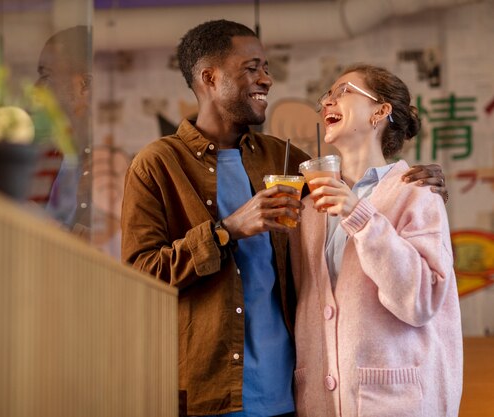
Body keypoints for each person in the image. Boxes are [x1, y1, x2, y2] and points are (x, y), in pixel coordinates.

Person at [121, 20, 447, 417]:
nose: (267, 80)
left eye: (267, 68)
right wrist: (227, 231)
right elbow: (138, 276)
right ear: (209, 77)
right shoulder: (157, 165)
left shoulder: (286, 160)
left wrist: (412, 177)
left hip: (293, 394)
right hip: (208, 395)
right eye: (252, 68)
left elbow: (359, 192)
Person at [291, 64, 462, 417]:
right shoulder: (310, 209)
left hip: (396, 404)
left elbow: (421, 300)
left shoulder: (417, 194)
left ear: (380, 111)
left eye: (343, 92)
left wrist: (359, 214)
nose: (327, 102)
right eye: (327, 95)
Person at [31, 25, 92, 238]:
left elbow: (121, 251)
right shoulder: (39, 154)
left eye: (47, 77)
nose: (37, 88)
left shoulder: (119, 167)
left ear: (85, 84)